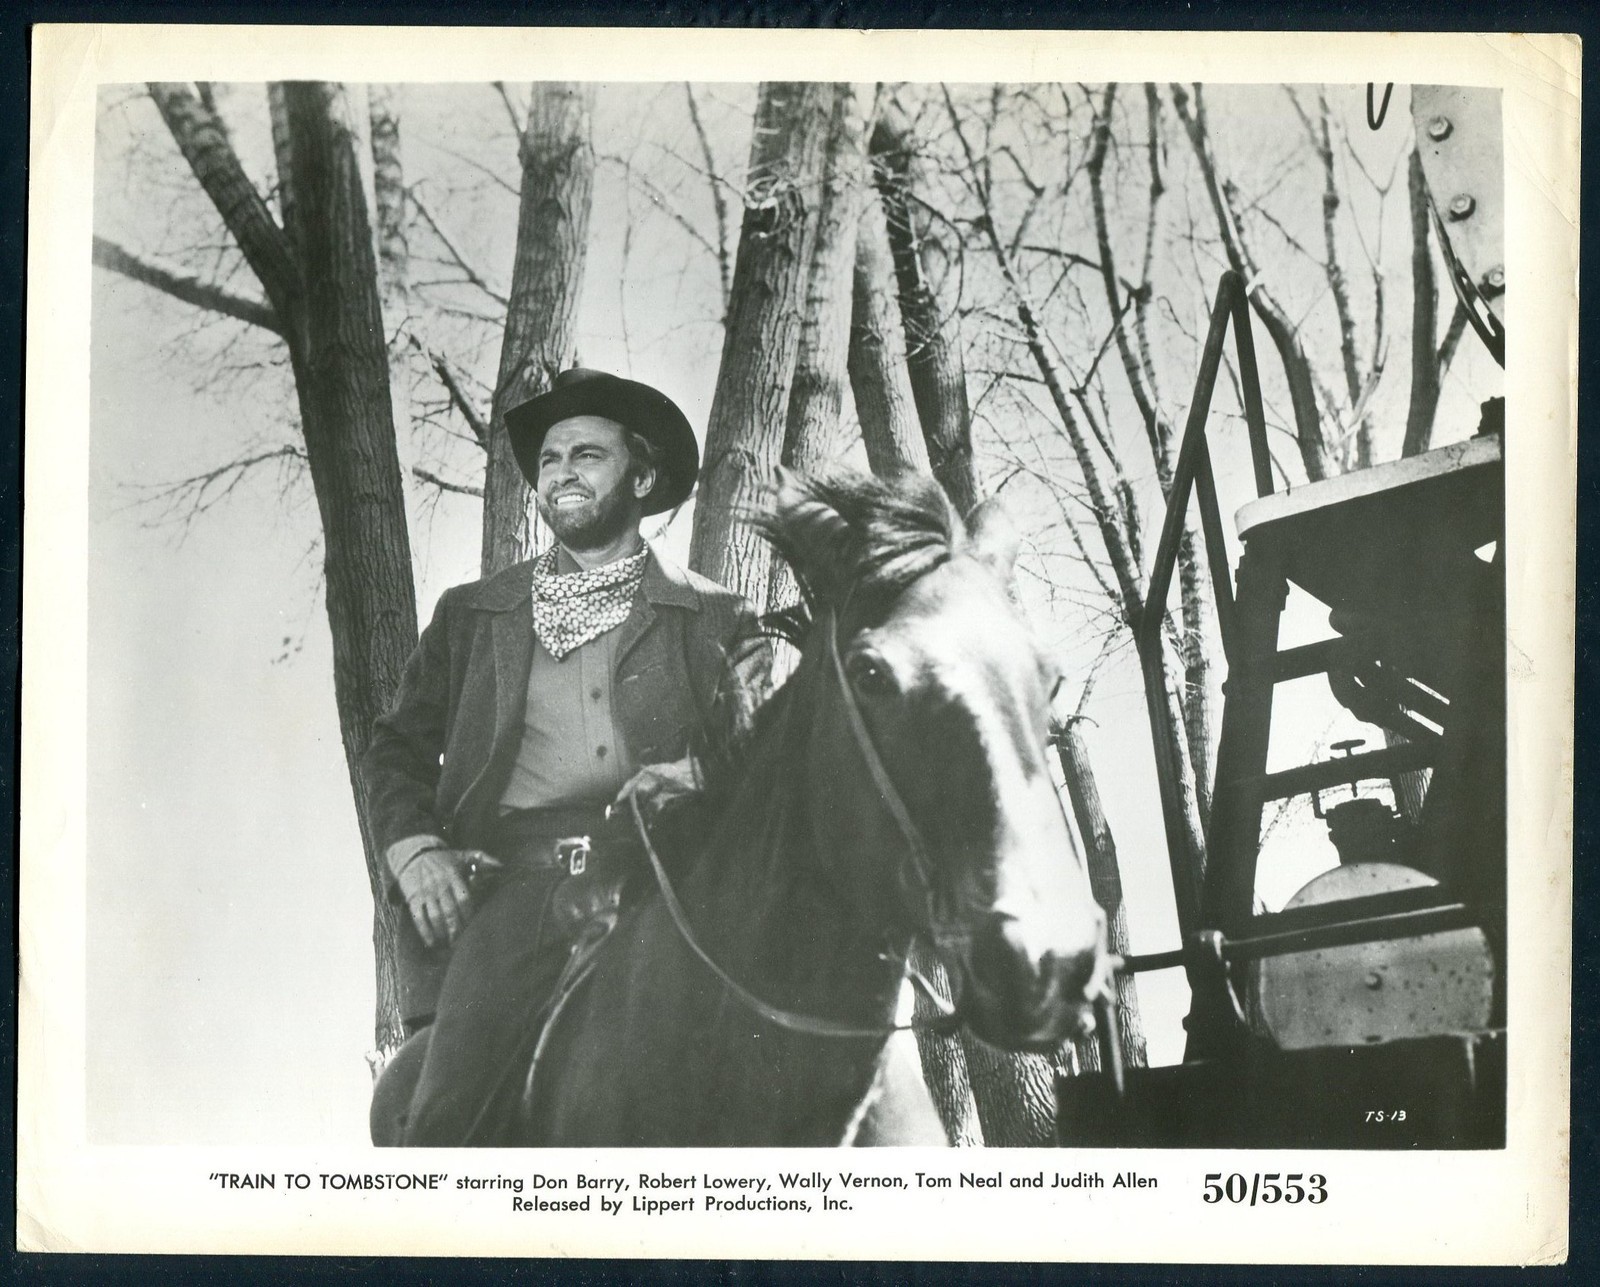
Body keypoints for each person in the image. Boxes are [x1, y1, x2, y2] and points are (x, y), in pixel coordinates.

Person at [363, 367, 768, 1146]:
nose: (560, 475)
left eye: (587, 455)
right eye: (549, 460)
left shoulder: (717, 616)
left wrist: (696, 777)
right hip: (517, 888)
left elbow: (764, 757)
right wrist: (417, 853)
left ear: (641, 477)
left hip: (671, 879)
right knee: (445, 1123)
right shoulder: (473, 614)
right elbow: (395, 750)